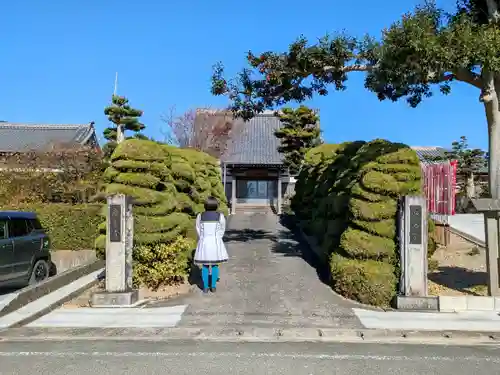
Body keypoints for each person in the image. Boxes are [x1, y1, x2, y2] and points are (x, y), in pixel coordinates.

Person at [194, 196, 228, 293]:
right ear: (216, 205)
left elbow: (198, 228)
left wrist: (203, 237)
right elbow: (222, 229)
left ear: (205, 205)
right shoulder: (220, 216)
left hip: (204, 242)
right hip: (215, 242)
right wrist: (218, 237)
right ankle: (213, 286)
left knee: (204, 265)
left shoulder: (200, 216)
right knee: (214, 265)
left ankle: (205, 287)